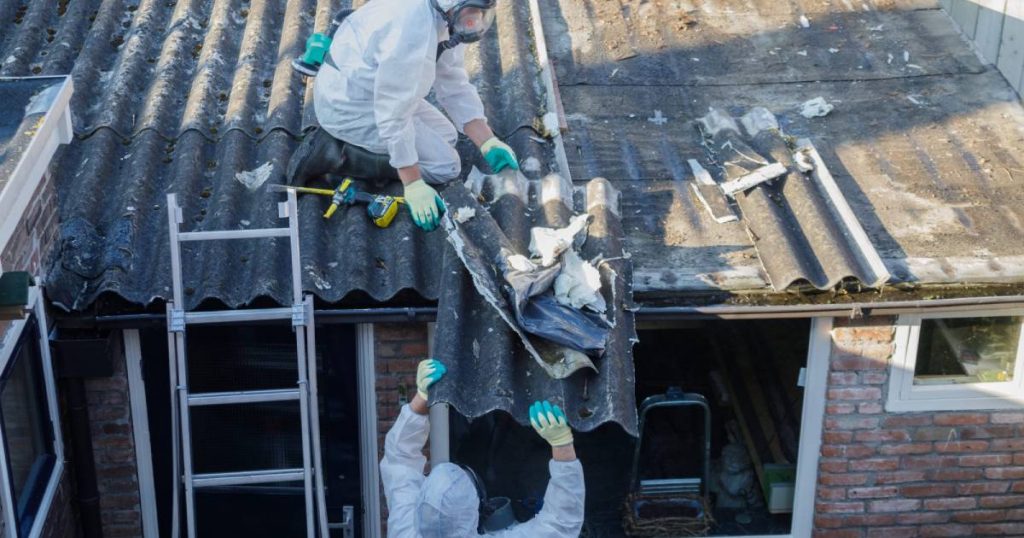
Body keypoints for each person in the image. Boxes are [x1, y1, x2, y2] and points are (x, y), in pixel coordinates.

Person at [288, 0, 520, 232]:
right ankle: (333, 152)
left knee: (448, 136)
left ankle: (373, 151)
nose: (477, 19)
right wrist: (413, 182)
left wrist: (487, 141)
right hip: (349, 105)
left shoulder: (442, 16)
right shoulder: (412, 31)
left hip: (366, 87)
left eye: (483, 12)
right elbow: (393, 116)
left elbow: (453, 82)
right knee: (446, 166)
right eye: (474, 10)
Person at [381, 359, 585, 537]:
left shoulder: (405, 530)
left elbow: (399, 461)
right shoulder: (404, 527)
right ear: (475, 509)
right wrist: (562, 445)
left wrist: (422, 398)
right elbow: (561, 525)